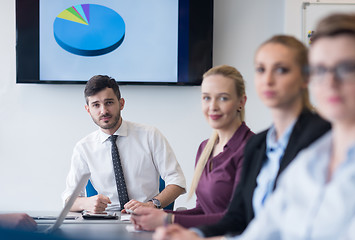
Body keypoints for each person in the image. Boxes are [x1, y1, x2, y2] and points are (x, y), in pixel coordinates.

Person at [152, 34, 331, 240]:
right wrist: (196, 233)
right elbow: (240, 217)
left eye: (281, 70)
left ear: (305, 78)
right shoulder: (260, 144)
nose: (268, 80)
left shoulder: (321, 137)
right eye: (261, 70)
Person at [129, 65, 255, 231]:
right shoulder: (205, 148)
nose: (213, 106)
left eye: (223, 98)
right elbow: (203, 211)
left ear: (241, 102)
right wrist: (155, 214)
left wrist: (168, 219)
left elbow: (239, 217)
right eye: (206, 98)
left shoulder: (252, 147)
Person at [62, 75, 186, 213]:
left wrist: (153, 204)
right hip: (106, 221)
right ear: (88, 109)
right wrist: (86, 203)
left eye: (109, 102)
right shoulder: (84, 148)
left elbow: (178, 182)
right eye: (96, 105)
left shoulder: (150, 135)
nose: (103, 111)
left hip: (147, 215)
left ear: (121, 103)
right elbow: (68, 200)